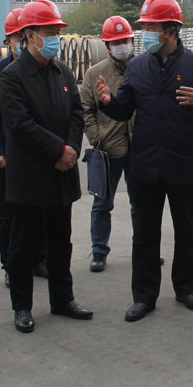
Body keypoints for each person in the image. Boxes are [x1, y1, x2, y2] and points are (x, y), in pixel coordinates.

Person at [96, 0, 193, 322]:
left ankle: (186, 289)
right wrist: (108, 101)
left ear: (171, 30)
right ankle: (144, 296)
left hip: (184, 165)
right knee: (144, 234)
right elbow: (124, 108)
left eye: (151, 27)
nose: (146, 34)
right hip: (145, 166)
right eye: (145, 27)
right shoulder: (138, 67)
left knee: (186, 231)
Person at [0, 0, 91, 333]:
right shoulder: (12, 77)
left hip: (62, 174)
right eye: (49, 31)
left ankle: (62, 299)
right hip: (30, 176)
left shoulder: (62, 71)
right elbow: (20, 124)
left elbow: (77, 113)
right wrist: (58, 150)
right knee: (23, 245)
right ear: (29, 35)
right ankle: (22, 306)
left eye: (57, 31)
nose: (55, 38)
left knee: (60, 241)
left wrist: (72, 148)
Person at [0, 8, 48, 287]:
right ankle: (10, 263)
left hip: (39, 152)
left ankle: (38, 258)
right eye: (16, 38)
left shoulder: (44, 69)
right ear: (8, 41)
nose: (21, 42)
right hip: (10, 155)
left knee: (41, 209)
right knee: (9, 213)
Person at [80, 15, 136, 273]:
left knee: (142, 203)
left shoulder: (143, 68)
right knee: (102, 203)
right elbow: (85, 111)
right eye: (116, 42)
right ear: (107, 45)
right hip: (108, 150)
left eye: (125, 40)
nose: (122, 46)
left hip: (139, 147)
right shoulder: (94, 73)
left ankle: (145, 247)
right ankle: (99, 250)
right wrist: (97, 136)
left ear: (132, 41)